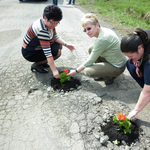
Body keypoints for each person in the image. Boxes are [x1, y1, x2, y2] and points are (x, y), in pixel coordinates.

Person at [67, 13, 127, 85]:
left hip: (118, 67)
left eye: (89, 28)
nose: (87, 32)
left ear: (97, 25)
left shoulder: (103, 39)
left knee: (88, 71)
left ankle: (109, 76)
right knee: (91, 48)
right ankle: (103, 72)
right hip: (115, 60)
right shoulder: (104, 30)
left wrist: (76, 71)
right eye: (84, 30)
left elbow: (90, 60)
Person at [21, 5, 75, 79]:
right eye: (53, 23)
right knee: (58, 52)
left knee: (59, 45)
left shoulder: (48, 24)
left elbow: (55, 36)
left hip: (37, 47)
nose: (55, 25)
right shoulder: (42, 30)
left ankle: (43, 62)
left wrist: (66, 44)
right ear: (45, 18)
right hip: (30, 52)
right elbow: (48, 53)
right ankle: (36, 65)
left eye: (57, 23)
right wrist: (54, 70)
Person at [120, 28, 150, 119]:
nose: (129, 58)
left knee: (147, 90)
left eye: (130, 56)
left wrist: (136, 110)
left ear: (139, 48)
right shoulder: (141, 37)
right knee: (130, 64)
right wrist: (138, 65)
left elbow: (147, 92)